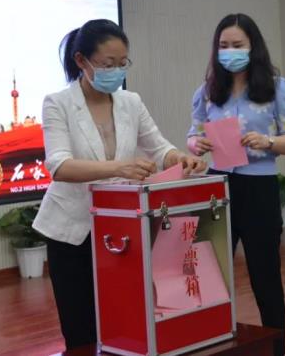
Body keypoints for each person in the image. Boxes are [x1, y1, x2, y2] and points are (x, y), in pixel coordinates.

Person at [33, 19, 206, 349]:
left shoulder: (131, 102)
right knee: (80, 328)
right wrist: (118, 167)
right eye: (107, 64)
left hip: (120, 228)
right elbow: (60, 166)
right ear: (81, 60)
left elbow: (159, 148)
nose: (116, 71)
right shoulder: (58, 103)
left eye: (122, 63)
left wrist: (180, 159)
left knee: (123, 320)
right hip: (72, 231)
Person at [186, 13, 285, 356]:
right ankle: (212, 346)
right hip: (217, 187)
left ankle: (277, 350)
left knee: (265, 279)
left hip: (258, 188)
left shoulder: (277, 87)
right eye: (223, 46)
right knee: (210, 276)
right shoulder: (208, 90)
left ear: (253, 47)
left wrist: (268, 142)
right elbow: (193, 133)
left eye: (237, 45)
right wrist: (196, 144)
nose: (230, 52)